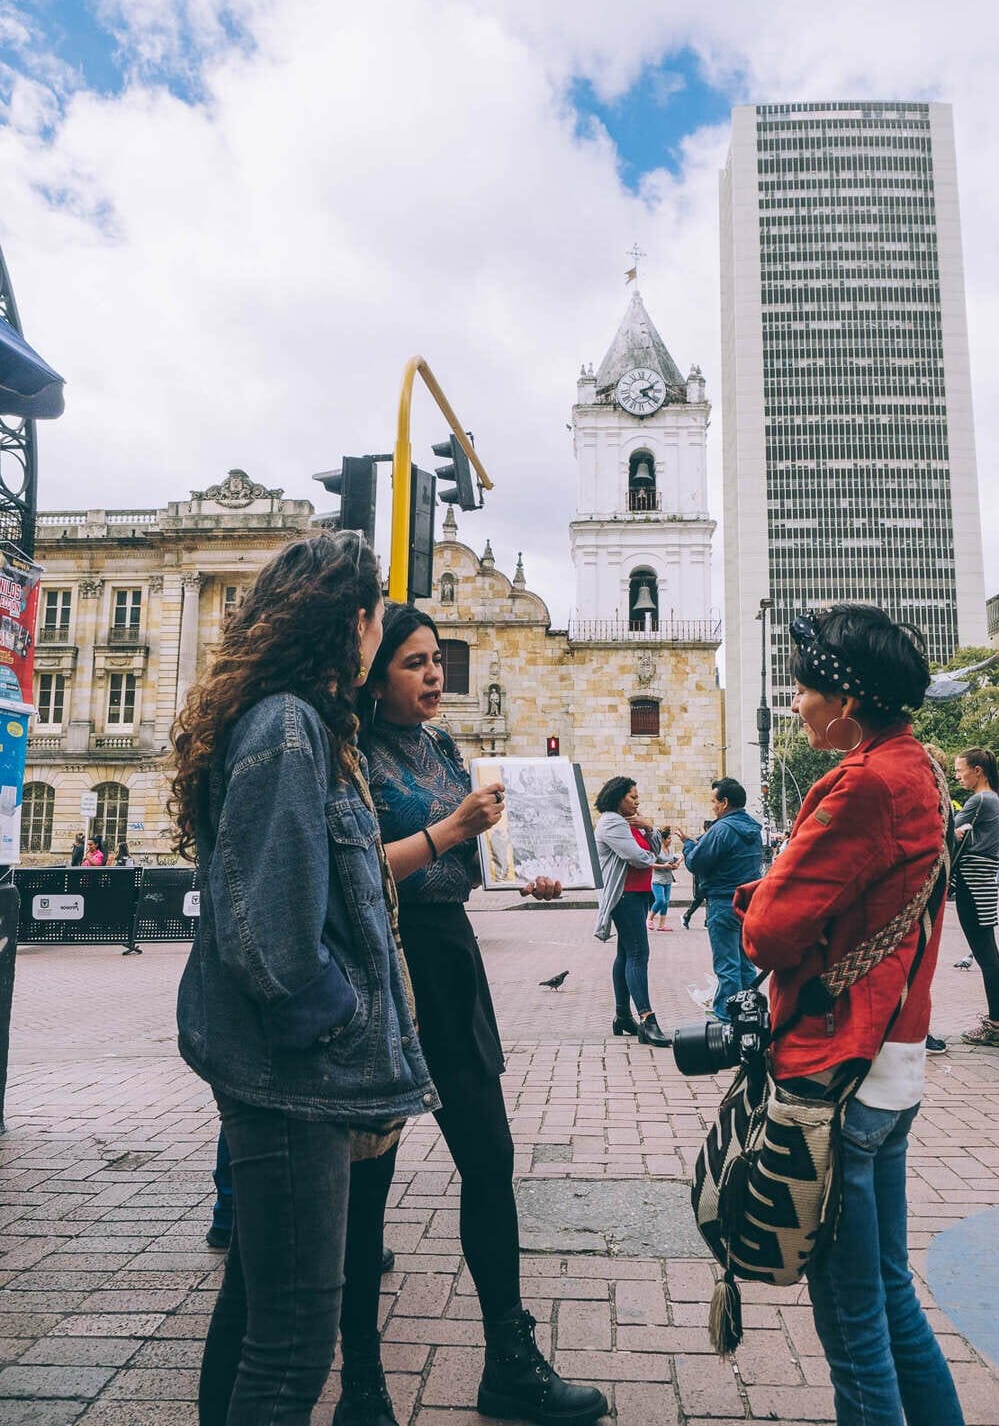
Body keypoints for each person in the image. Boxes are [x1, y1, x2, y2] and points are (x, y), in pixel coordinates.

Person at [170, 532, 437, 1423]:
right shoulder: (288, 727)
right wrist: (338, 1015)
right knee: (293, 1344)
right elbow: (267, 927)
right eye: (376, 618)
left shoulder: (302, 723)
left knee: (255, 1304)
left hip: (292, 1071)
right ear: (352, 622)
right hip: (296, 1080)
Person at [355, 603, 608, 1426]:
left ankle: (510, 1355)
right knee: (371, 1178)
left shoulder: (440, 746)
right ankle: (362, 1383)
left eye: (438, 660)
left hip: (451, 958)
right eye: (413, 663)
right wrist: (450, 827)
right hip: (386, 963)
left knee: (490, 1157)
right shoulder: (347, 751)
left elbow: (474, 859)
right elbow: (350, 873)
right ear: (373, 672)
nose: (434, 674)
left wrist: (522, 871)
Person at [736, 603, 964, 1426]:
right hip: (891, 1063)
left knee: (853, 1317)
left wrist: (759, 890)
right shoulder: (921, 766)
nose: (795, 704)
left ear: (845, 700)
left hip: (840, 1070)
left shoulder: (864, 783)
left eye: (802, 691)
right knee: (892, 1294)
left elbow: (765, 933)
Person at [675, 778, 762, 1019]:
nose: (712, 806)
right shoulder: (753, 829)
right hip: (748, 903)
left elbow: (695, 862)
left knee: (727, 966)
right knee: (745, 965)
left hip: (723, 903)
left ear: (724, 802)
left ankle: (727, 1017)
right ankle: (749, 1013)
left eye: (714, 801)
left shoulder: (721, 829)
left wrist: (687, 847)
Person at [594, 776, 668, 1047]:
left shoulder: (631, 822)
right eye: (632, 797)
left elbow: (656, 848)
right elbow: (638, 857)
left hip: (636, 894)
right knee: (639, 953)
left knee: (626, 954)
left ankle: (623, 1017)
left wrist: (649, 829)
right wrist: (650, 852)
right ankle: (647, 1020)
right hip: (624, 896)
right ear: (617, 797)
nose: (637, 802)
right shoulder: (612, 821)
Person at [953, 749, 999, 1048]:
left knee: (986, 954)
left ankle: (996, 1027)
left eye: (960, 770)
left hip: (972, 883)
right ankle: (996, 1023)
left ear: (978, 770)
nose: (957, 776)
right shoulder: (996, 801)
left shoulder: (980, 800)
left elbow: (946, 833)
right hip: (984, 883)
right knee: (989, 953)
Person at [647, 827, 681, 931]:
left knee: (665, 902)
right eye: (669, 838)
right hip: (657, 880)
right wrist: (663, 866)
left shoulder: (670, 851)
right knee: (660, 900)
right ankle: (650, 919)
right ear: (663, 839)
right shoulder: (657, 850)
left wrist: (677, 864)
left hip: (668, 880)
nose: (670, 840)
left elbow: (673, 863)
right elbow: (650, 864)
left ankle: (662, 925)